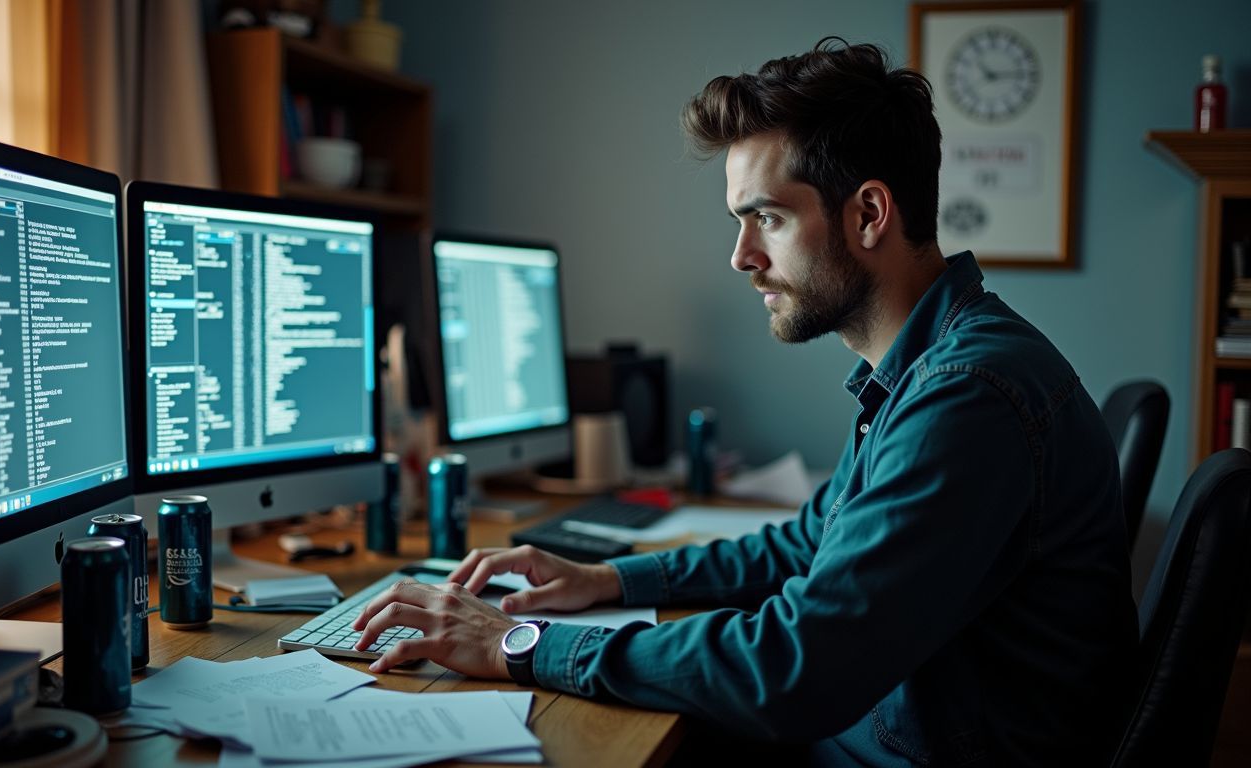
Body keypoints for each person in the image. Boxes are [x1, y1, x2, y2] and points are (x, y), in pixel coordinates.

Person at [353, 39, 1137, 765]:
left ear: (869, 214)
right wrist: (613, 582)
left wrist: (519, 644)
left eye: (767, 217)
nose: (742, 257)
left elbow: (799, 667)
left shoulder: (967, 397)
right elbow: (807, 546)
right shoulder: (935, 365)